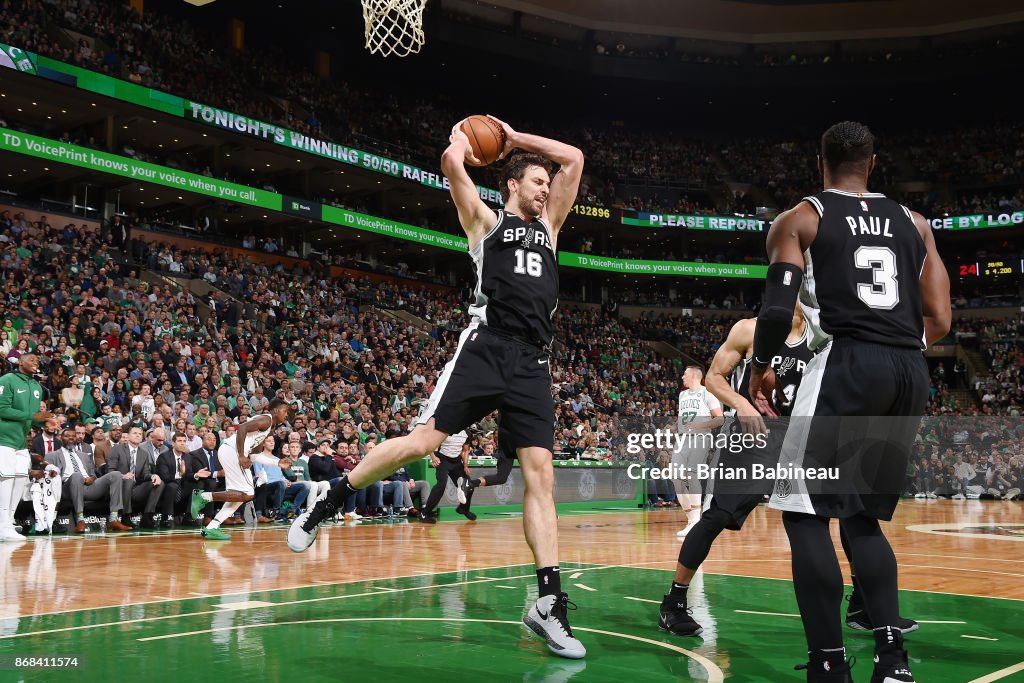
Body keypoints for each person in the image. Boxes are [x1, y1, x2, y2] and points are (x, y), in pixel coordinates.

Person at [288, 116, 586, 659]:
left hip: (532, 363)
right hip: (486, 346)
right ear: (512, 185)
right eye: (536, 182)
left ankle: (548, 603)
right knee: (424, 442)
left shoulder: (552, 229)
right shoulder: (486, 224)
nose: (547, 189)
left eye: (548, 184)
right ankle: (329, 502)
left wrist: (515, 138)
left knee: (541, 475)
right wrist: (459, 142)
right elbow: (453, 168)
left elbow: (574, 158)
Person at [748, 121, 950, 683]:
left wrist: (763, 370)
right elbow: (941, 318)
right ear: (873, 164)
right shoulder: (917, 224)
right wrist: (894, 347)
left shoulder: (802, 217)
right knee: (862, 517)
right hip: (908, 370)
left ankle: (829, 665)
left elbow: (773, 311)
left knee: (804, 517)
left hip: (845, 365)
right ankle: (892, 661)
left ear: (821, 164)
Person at [658, 308, 916, 637]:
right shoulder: (750, 330)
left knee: (849, 513)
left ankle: (863, 604)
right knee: (718, 516)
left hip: (807, 438)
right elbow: (714, 378)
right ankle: (674, 601)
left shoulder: (828, 332)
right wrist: (743, 404)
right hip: (754, 436)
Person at [190, 399, 292, 540]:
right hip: (233, 451)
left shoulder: (268, 429)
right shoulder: (266, 420)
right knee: (248, 493)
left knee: (239, 495)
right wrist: (242, 455)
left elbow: (254, 455)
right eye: (285, 411)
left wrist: (277, 463)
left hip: (231, 452)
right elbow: (242, 428)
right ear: (275, 410)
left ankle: (212, 527)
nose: (287, 415)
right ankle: (203, 497)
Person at [0, 353, 52, 540]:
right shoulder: (7, 379)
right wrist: (32, 416)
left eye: (37, 361)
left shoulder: (37, 386)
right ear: (20, 362)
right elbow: (2, 408)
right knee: (6, 479)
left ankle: (7, 521)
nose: (35, 363)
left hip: (21, 440)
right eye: (31, 360)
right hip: (4, 438)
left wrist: (45, 423)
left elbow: (33, 417)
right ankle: (2, 524)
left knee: (21, 477)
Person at [673, 365, 724, 538]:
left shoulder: (707, 394)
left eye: (684, 374)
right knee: (676, 477)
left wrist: (700, 425)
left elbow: (719, 419)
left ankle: (695, 521)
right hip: (683, 439)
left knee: (691, 473)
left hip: (701, 437)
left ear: (694, 376)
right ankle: (691, 519)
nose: (682, 377)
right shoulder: (682, 395)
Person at [418, 430, 475, 523]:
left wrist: (465, 466)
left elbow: (465, 450)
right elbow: (430, 444)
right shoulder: (445, 429)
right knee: (441, 485)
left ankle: (463, 509)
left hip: (456, 462)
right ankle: (424, 513)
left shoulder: (467, 432)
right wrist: (433, 457)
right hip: (443, 460)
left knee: (470, 485)